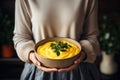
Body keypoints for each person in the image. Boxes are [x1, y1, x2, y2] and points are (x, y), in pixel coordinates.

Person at [13, 0, 100, 80]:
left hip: (79, 71)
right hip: (38, 72)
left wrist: (83, 54)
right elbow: (21, 37)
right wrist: (32, 56)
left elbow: (92, 36)